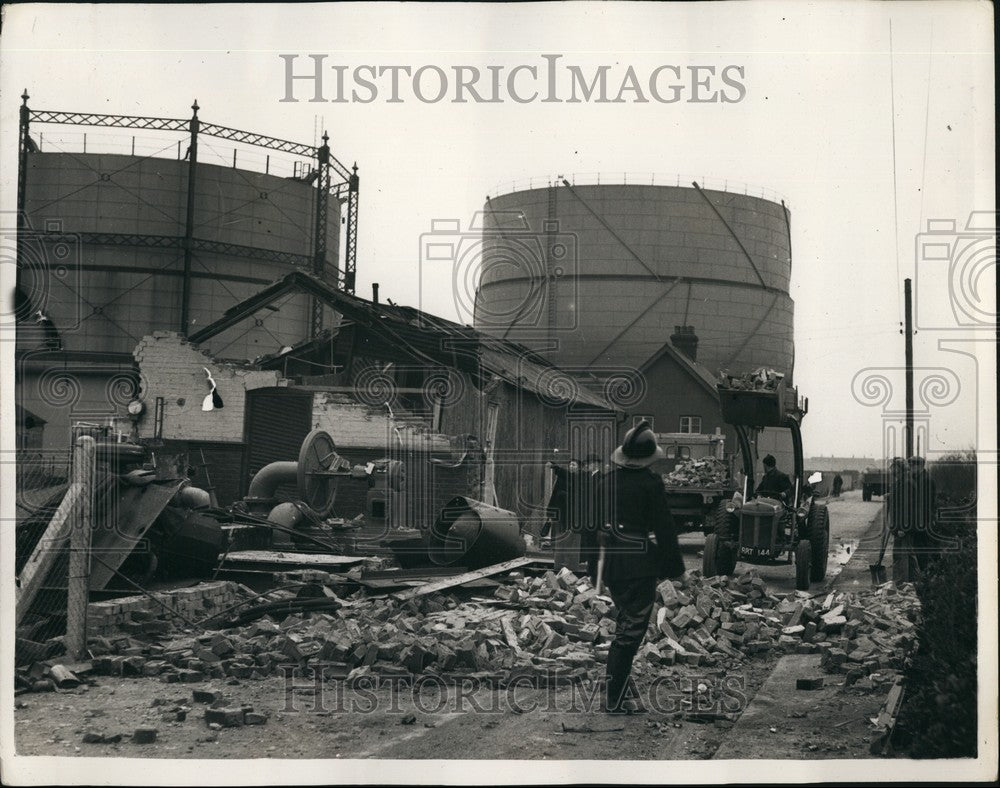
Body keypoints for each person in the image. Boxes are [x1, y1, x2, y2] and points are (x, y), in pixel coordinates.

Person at [592, 421, 685, 714]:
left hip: (613, 565)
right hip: (639, 565)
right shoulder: (650, 483)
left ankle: (620, 690)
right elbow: (665, 528)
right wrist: (675, 568)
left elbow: (592, 526)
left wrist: (593, 568)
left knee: (625, 625)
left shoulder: (605, 481)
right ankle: (614, 700)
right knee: (630, 634)